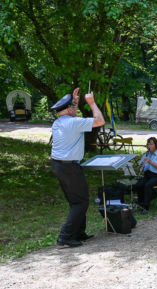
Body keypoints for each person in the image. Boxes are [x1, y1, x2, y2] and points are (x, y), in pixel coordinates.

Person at [51, 88, 105, 247]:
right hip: (69, 167)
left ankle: (78, 233)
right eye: (74, 107)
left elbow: (70, 111)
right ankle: (65, 237)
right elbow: (100, 120)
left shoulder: (58, 122)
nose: (77, 109)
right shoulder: (73, 123)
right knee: (81, 202)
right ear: (69, 110)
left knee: (75, 201)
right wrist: (92, 103)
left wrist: (74, 100)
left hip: (59, 165)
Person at [136, 137, 157, 213]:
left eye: (151, 144)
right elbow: (139, 168)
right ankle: (141, 202)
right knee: (138, 184)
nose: (149, 146)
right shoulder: (146, 154)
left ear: (155, 145)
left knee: (148, 185)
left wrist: (150, 162)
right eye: (148, 144)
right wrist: (141, 165)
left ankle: (146, 206)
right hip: (147, 175)